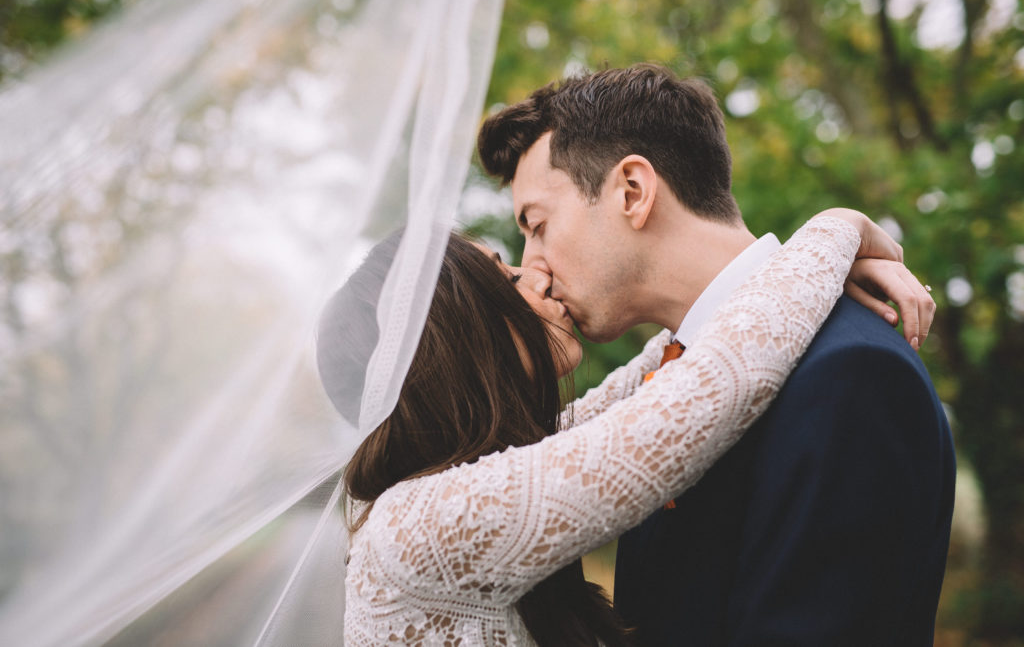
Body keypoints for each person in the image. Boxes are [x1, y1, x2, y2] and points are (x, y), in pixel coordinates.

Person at [477, 63, 955, 646]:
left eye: (537, 225)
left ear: (633, 191)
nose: (533, 266)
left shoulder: (849, 371)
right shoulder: (669, 374)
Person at [318, 206, 919, 646]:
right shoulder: (418, 526)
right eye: (504, 280)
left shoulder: (480, 470)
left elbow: (662, 365)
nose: (537, 277)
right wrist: (839, 228)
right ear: (456, 341)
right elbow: (704, 395)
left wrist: (804, 264)